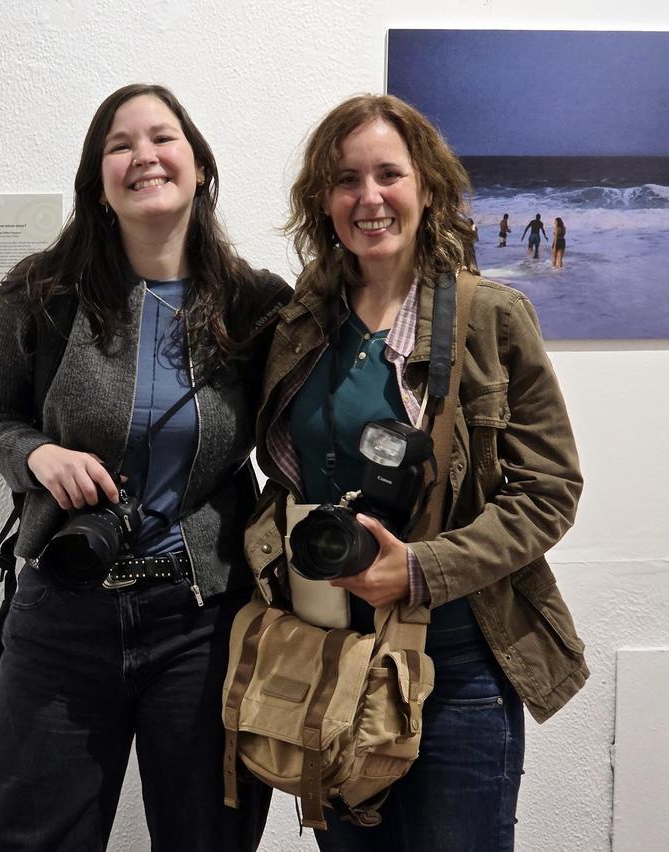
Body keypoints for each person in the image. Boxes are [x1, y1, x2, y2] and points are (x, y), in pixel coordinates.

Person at [245, 94, 587, 850]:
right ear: (322, 200)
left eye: (388, 175)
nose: (368, 198)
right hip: (330, 653)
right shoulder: (301, 320)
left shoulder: (492, 317)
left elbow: (549, 492)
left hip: (456, 662)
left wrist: (421, 569)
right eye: (345, 180)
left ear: (426, 186)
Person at [0, 83, 290, 851]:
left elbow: (306, 430)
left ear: (200, 165)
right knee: (26, 834)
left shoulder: (257, 306)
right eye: (120, 144)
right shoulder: (42, 293)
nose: (144, 155)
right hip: (64, 608)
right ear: (98, 181)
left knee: (210, 836)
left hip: (205, 620)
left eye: (162, 137)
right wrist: (37, 454)